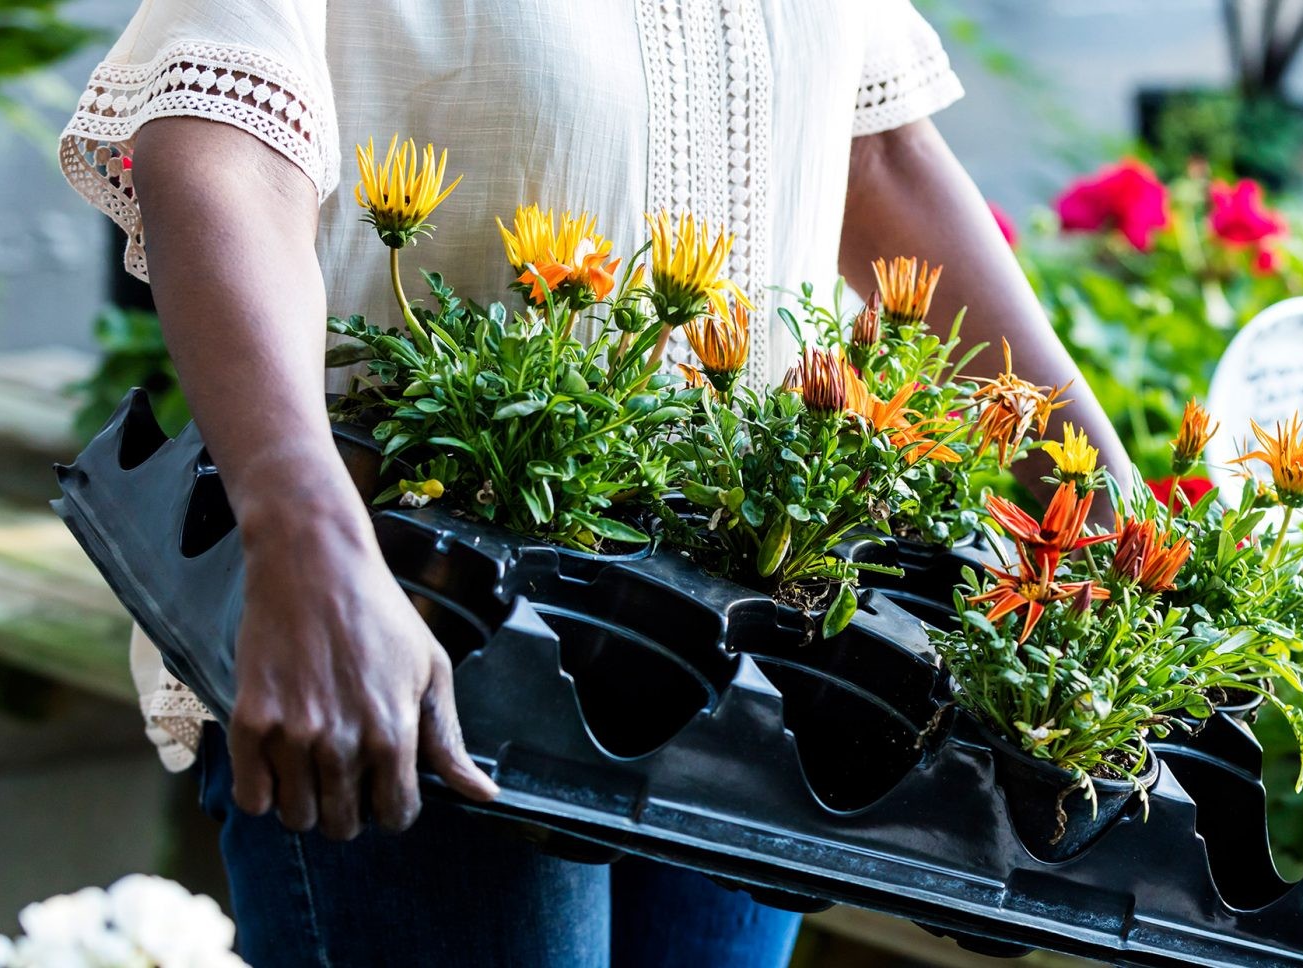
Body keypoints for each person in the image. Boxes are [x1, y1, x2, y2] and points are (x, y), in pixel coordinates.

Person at [59, 2, 1129, 965]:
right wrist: (311, 545)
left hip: (746, 671)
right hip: (429, 643)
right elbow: (218, 141)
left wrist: (1104, 503)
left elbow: (874, 147)